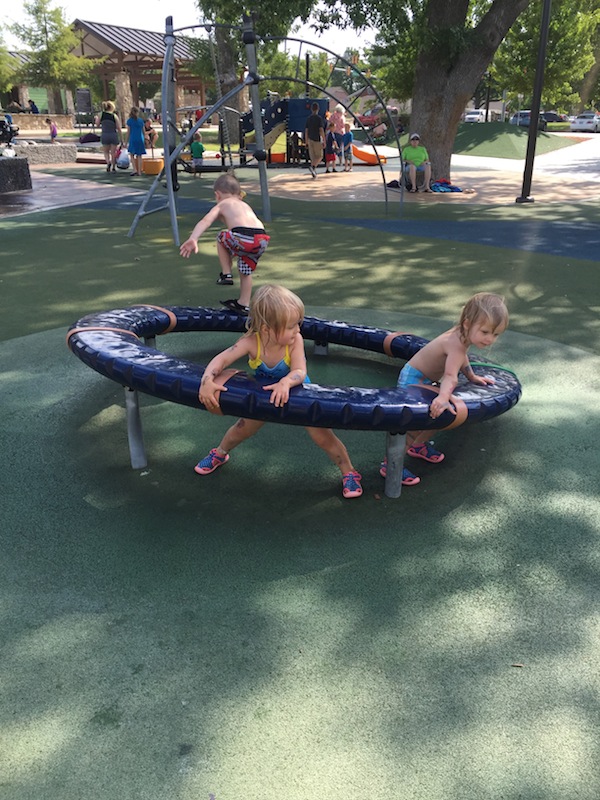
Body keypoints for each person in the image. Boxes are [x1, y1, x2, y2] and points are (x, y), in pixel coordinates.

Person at [195, 284, 363, 499]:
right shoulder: (250, 342)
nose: (298, 330)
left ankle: (349, 472)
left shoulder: (294, 342)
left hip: (298, 393)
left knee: (323, 436)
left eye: (298, 324)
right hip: (264, 394)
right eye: (291, 326)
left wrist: (285, 382)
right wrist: (207, 381)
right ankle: (220, 453)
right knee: (241, 428)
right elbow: (221, 359)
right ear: (267, 329)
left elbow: (300, 371)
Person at [380, 292, 509, 486]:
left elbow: (461, 357)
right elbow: (450, 376)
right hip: (413, 379)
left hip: (424, 378)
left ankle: (418, 446)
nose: (490, 339)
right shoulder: (456, 342)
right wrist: (442, 397)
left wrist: (471, 376)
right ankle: (390, 465)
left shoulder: (462, 335)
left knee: (439, 416)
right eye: (485, 332)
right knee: (414, 426)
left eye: (495, 334)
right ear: (467, 323)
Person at [179, 173, 270, 314]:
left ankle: (226, 274)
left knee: (221, 237)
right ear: (239, 194)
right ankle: (244, 304)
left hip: (243, 236)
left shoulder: (222, 204)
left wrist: (194, 238)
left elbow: (205, 221)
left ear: (217, 195)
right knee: (245, 270)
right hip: (261, 240)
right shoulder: (244, 205)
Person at [95, 101, 123, 173]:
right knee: (113, 152)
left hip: (105, 134)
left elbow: (97, 124)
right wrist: (121, 139)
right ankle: (113, 167)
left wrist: (97, 120)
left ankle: (108, 162)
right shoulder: (114, 116)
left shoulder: (101, 114)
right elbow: (119, 127)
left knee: (106, 151)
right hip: (113, 134)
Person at [304, 102, 324, 179]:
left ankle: (314, 172)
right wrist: (324, 140)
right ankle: (312, 167)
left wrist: (306, 141)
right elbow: (321, 130)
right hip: (317, 139)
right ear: (318, 109)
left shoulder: (308, 119)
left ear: (311, 109)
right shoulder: (319, 119)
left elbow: (306, 131)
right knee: (320, 156)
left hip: (310, 139)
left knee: (313, 157)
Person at [126, 106, 146, 176]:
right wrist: (145, 138)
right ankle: (139, 171)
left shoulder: (129, 121)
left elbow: (128, 132)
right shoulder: (140, 121)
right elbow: (143, 131)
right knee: (139, 155)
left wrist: (126, 141)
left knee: (132, 154)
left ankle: (134, 169)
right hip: (140, 138)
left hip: (133, 138)